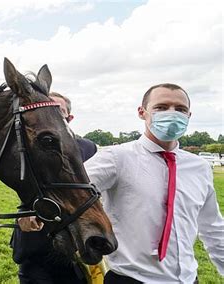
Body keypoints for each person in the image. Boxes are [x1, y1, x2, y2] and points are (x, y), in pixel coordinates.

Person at [84, 83, 224, 283]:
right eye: (161, 107)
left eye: (180, 109)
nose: (172, 113)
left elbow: (212, 227)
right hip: (131, 278)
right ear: (142, 112)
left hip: (187, 279)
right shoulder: (115, 158)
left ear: (189, 116)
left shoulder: (200, 167)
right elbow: (67, 191)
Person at [11, 92, 101, 284]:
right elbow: (24, 185)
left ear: (70, 117)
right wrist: (23, 215)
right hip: (36, 246)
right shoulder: (31, 147)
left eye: (59, 111)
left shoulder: (89, 148)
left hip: (79, 246)